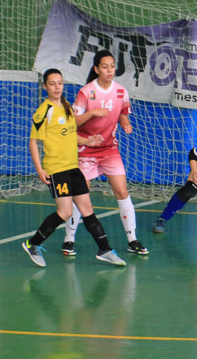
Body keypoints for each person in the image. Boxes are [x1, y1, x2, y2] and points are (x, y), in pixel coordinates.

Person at [22, 68, 127, 268]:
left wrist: (88, 141)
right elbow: (33, 142)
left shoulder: (67, 106)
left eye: (60, 83)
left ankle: (104, 250)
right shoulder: (43, 111)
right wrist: (39, 169)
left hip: (73, 166)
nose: (57, 87)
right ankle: (32, 244)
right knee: (65, 211)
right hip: (56, 168)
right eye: (52, 83)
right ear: (45, 86)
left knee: (87, 209)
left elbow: (70, 134)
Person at [61, 50, 148, 257]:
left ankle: (132, 239)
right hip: (86, 150)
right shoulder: (86, 92)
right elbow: (74, 122)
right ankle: (69, 239)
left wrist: (126, 124)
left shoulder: (121, 92)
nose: (109, 70)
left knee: (122, 192)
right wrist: (92, 113)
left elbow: (123, 114)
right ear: (96, 69)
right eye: (105, 67)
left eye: (112, 66)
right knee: (81, 194)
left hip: (109, 150)